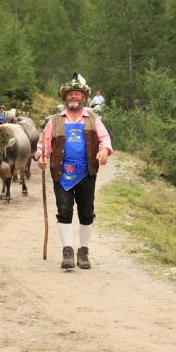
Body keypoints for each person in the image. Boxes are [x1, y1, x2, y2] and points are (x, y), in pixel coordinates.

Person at [36, 74, 113, 270]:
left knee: (87, 213)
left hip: (87, 173)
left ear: (84, 98)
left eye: (77, 94)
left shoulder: (93, 119)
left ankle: (84, 252)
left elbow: (105, 140)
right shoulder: (54, 121)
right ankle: (67, 251)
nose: (73, 97)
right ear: (65, 98)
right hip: (61, 174)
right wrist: (41, 157)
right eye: (70, 94)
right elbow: (43, 145)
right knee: (64, 211)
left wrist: (103, 151)